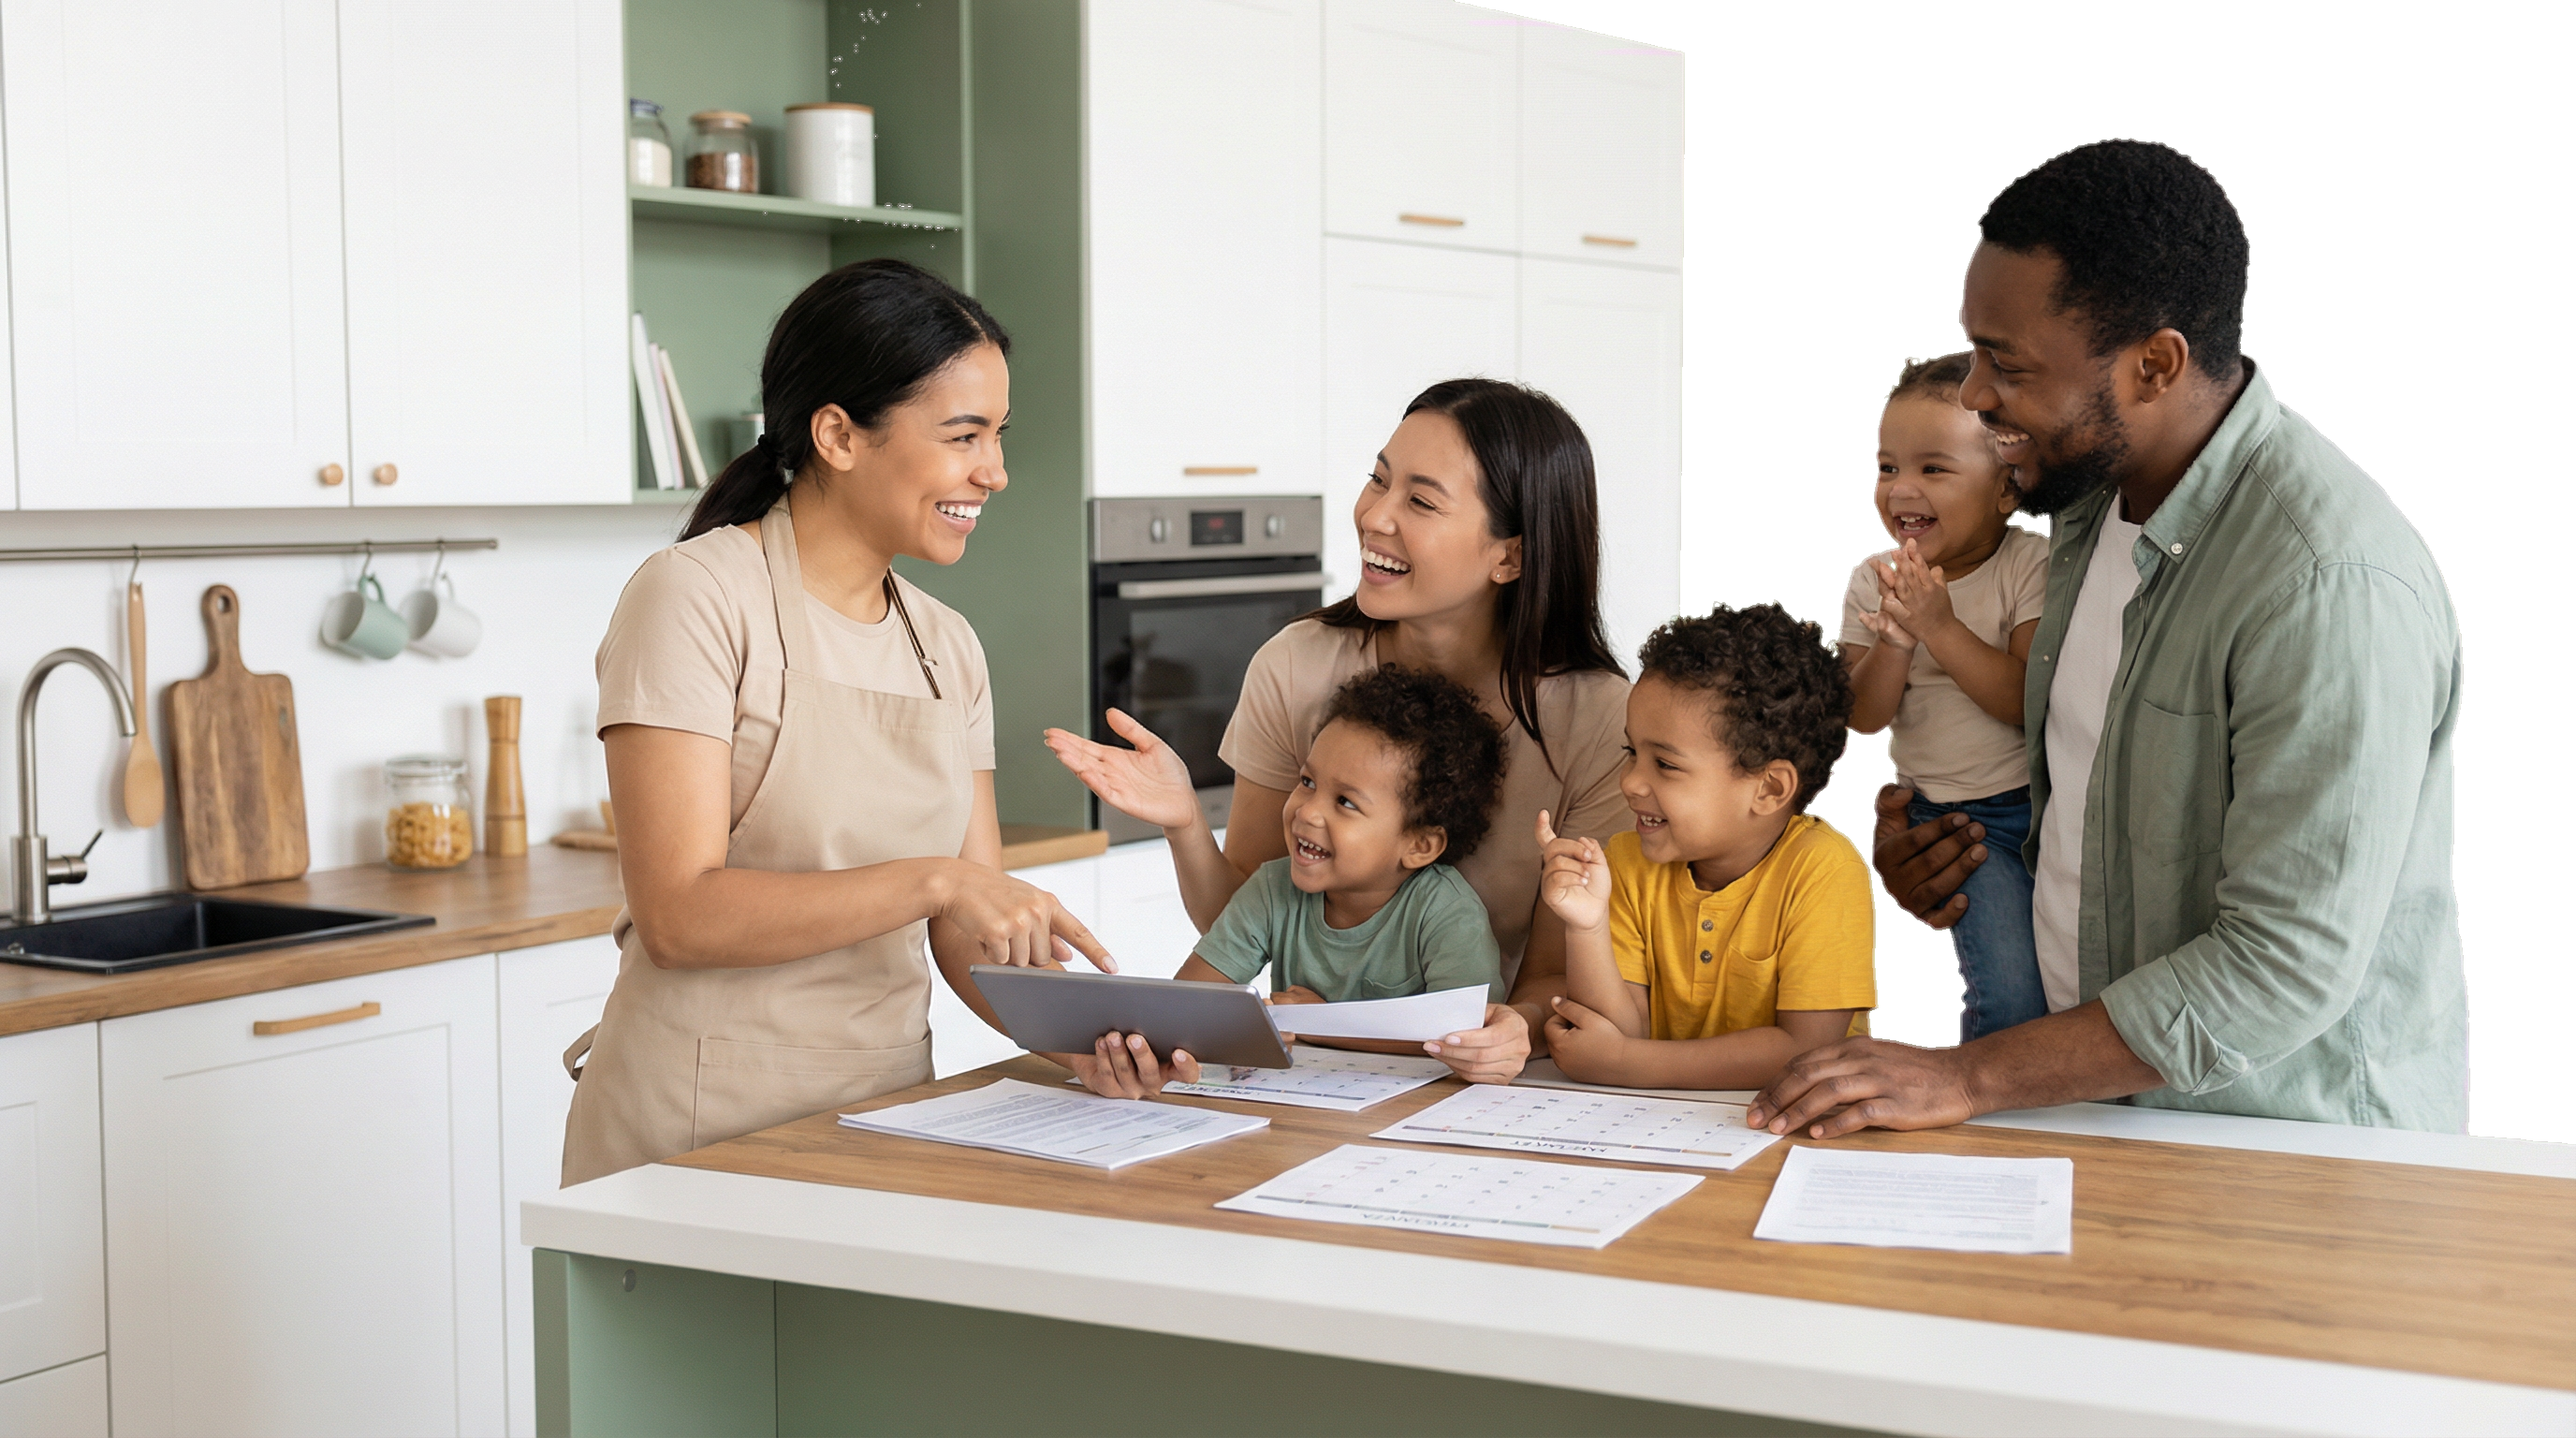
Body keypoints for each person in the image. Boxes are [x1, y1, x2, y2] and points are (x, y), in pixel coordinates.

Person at [1752, 139, 2467, 1138]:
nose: (1973, 398)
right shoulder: (2085, 511)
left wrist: (1970, 1077)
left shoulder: (2325, 585)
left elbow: (2282, 963)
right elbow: (2096, 794)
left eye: (2006, 365)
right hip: (2097, 1113)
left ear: (2155, 364)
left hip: (2277, 1154)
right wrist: (1967, 850)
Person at [562, 259, 1122, 1185]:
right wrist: (935, 882)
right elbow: (680, 914)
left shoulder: (948, 646)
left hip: (886, 1117)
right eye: (964, 436)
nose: (996, 471)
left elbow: (968, 930)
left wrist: (1090, 1041)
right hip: (695, 1128)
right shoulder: (697, 597)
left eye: (998, 435)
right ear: (838, 435)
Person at [1046, 378, 1632, 1094]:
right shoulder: (1297, 665)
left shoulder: (1599, 720)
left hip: (1481, 1081)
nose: (1374, 516)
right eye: (1377, 480)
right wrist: (1184, 823)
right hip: (1306, 1078)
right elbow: (1257, 907)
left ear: (1509, 556)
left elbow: (1551, 975)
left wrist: (1520, 1024)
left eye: (1420, 500)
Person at [1537, 601, 1878, 1089]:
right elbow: (1614, 1034)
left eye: (1666, 765)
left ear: (1770, 789)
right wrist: (1586, 926)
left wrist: (1628, 1064)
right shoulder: (1627, 863)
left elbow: (1807, 1049)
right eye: (1632, 752)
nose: (1631, 782)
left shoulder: (1824, 871)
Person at [1123, 667, 1506, 1083]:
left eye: (1346, 802)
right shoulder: (1273, 890)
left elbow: (1468, 1035)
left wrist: (1322, 1023)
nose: (1307, 811)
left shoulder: (1446, 912)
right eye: (1308, 781)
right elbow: (1186, 1003)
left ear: (1419, 846)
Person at [1840, 351, 2050, 1039]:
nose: (1902, 489)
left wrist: (1938, 625)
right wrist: (1896, 643)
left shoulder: (2028, 565)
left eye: (1934, 468)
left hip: (2040, 810)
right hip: (1962, 824)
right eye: (1887, 466)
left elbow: (2025, 700)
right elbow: (1862, 717)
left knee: (2063, 983)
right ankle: (1993, 1117)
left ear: (2007, 491)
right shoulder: (1875, 580)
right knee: (2008, 992)